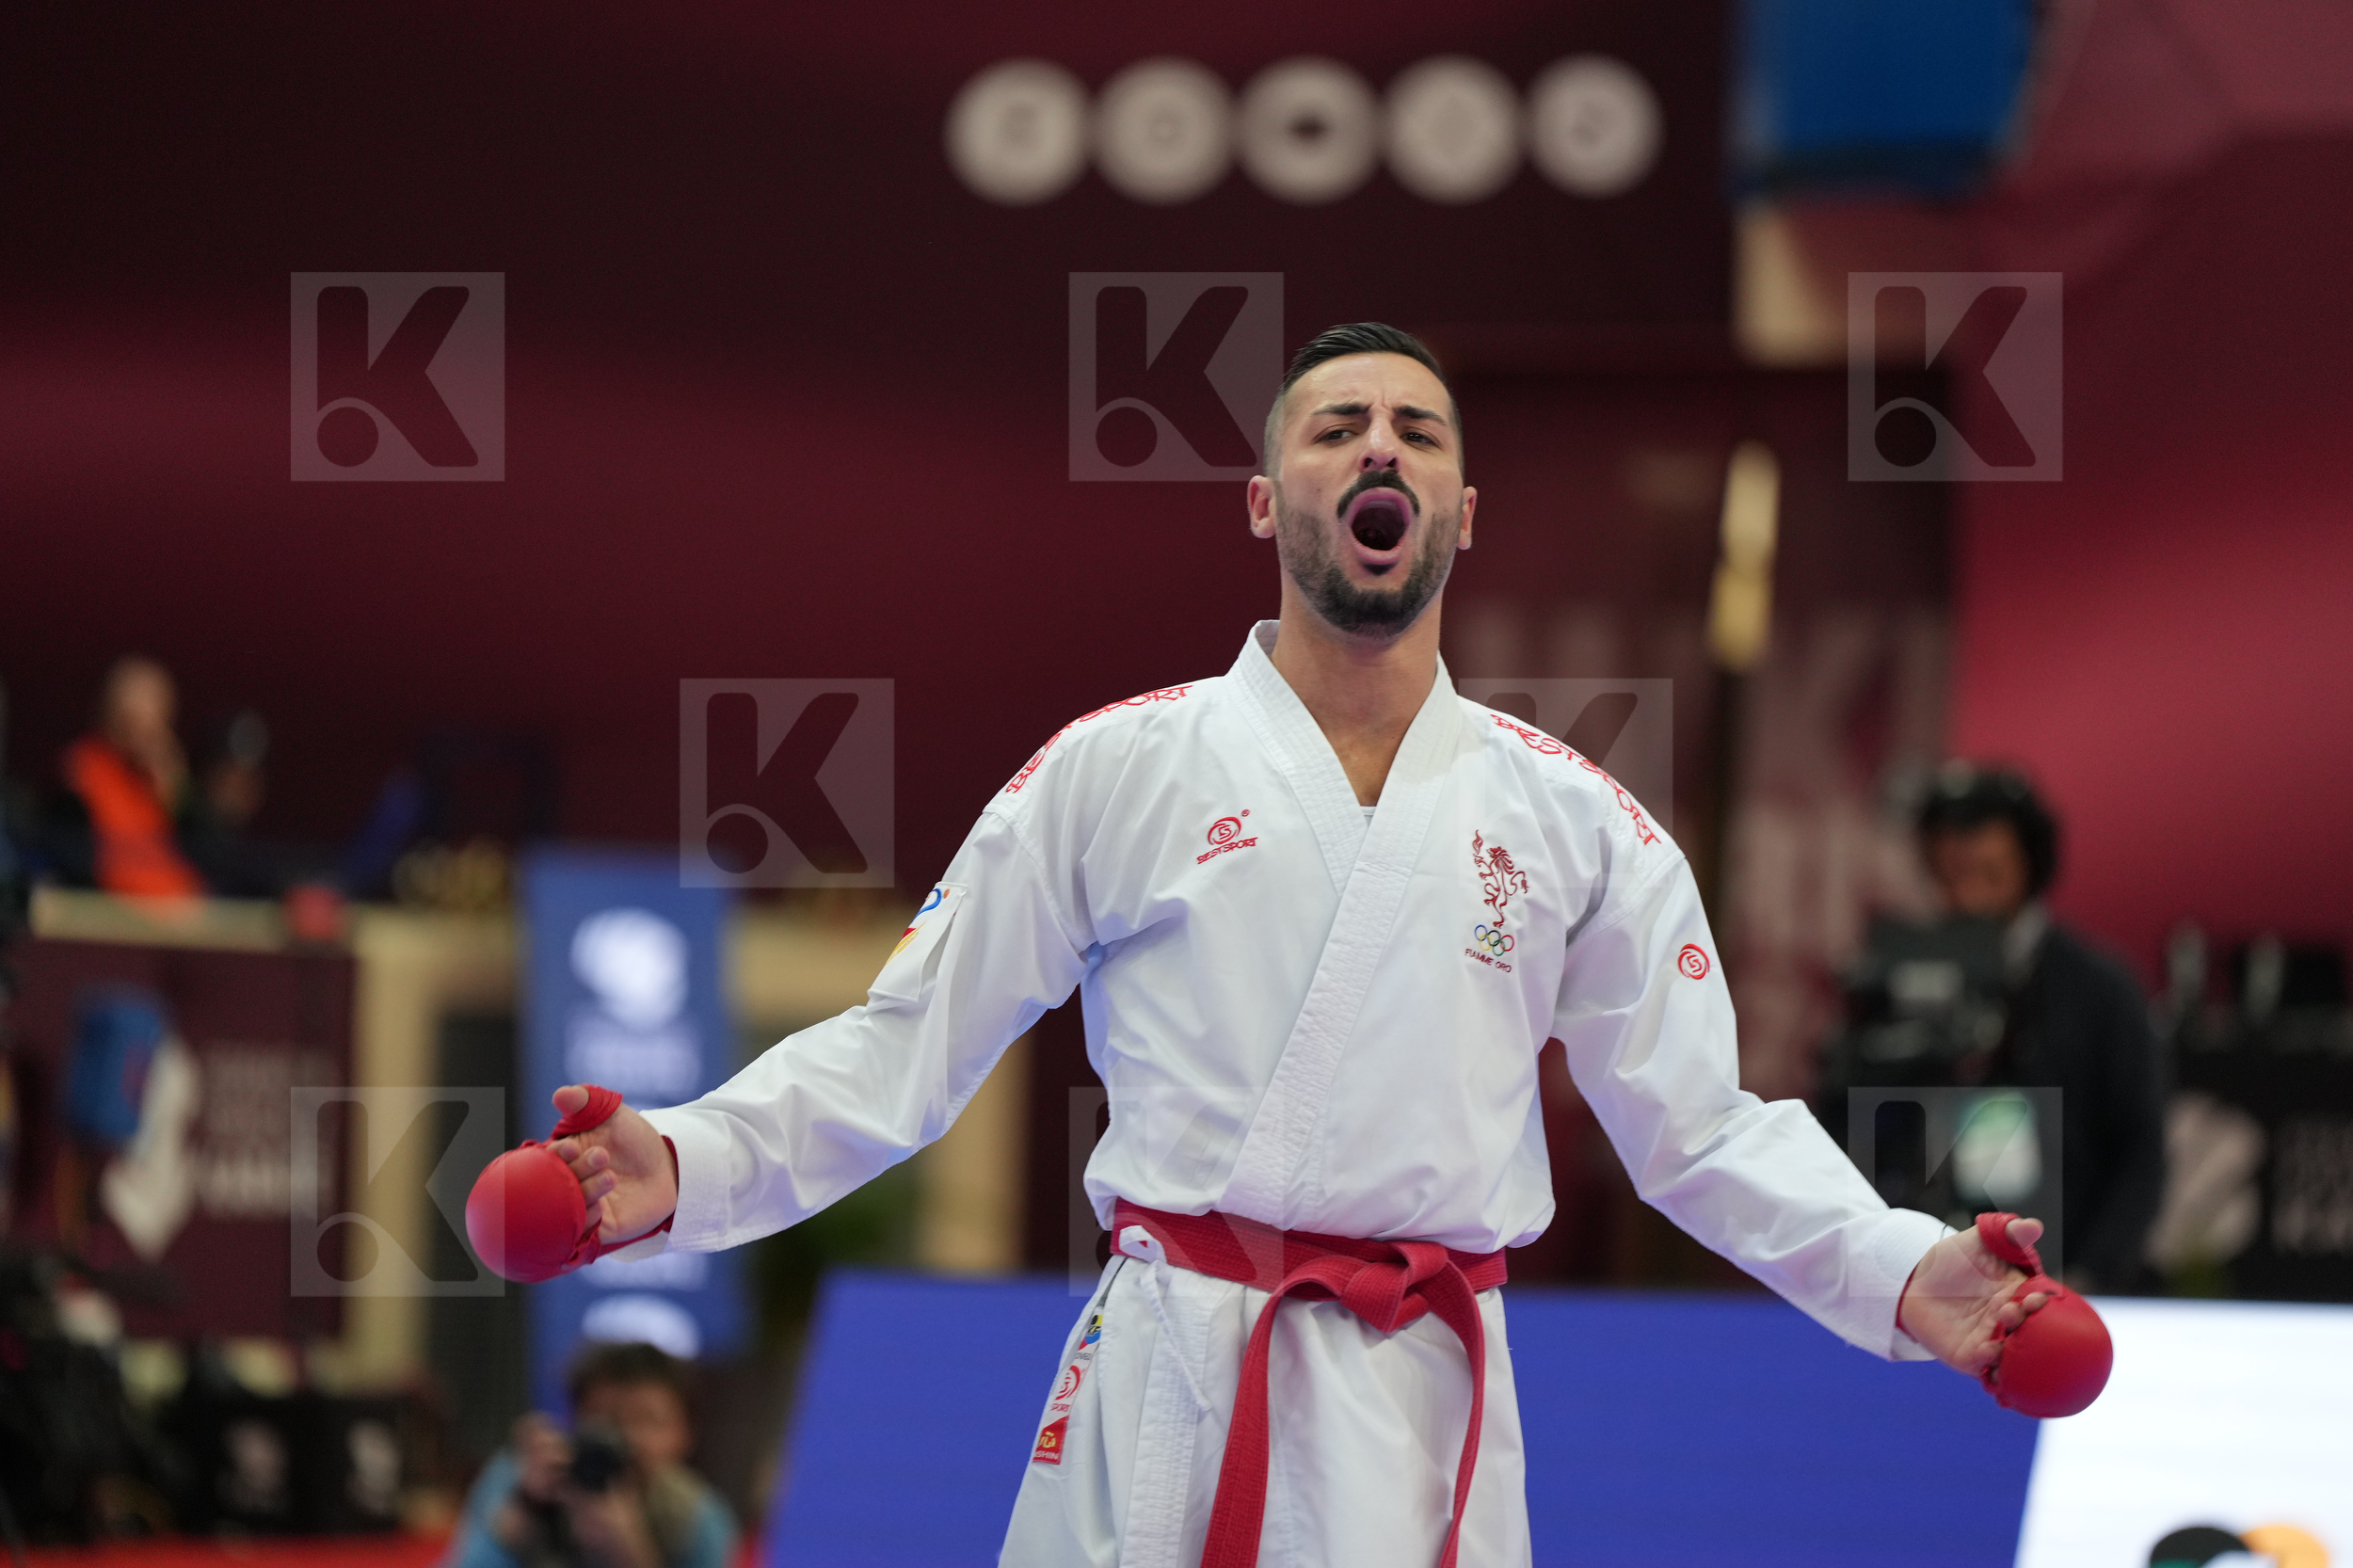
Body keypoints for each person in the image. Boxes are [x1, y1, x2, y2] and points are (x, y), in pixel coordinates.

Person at [538, 325, 2056, 1567]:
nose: (1379, 446)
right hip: (1173, 1381)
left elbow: (1704, 1128)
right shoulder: (1114, 771)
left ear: (1465, 511)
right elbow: (903, 1047)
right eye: (1335, 426)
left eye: (1419, 428)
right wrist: (687, 1160)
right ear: (1267, 501)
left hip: (1432, 1406)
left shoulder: (1578, 823)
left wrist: (1904, 1271)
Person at [1917, 764, 2168, 1292]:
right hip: (1934, 1281)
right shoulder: (1901, 979)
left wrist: (2090, 1273)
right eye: (1949, 865)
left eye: (1984, 864)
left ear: (2029, 860)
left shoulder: (2102, 989)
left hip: (2067, 1277)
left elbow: (2140, 1149)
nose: (1964, 887)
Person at [443, 1341, 735, 1568]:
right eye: (608, 1418)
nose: (627, 1437)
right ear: (576, 1419)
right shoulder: (524, 1475)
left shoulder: (697, 1517)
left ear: (685, 1434)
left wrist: (630, 1553)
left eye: (648, 1420)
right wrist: (525, 1511)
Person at [47, 657, 207, 897]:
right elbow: (90, 862)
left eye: (155, 721)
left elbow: (208, 856)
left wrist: (178, 794)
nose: (144, 734)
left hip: (172, 913)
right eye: (133, 720)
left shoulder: (165, 781)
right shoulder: (84, 770)